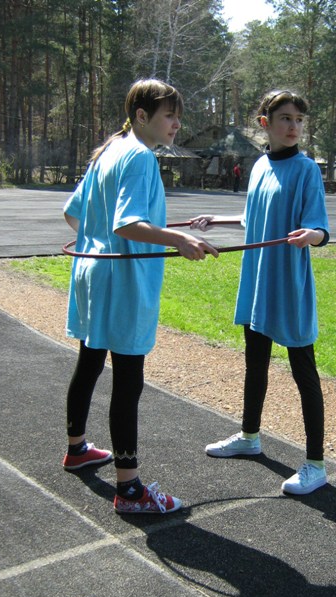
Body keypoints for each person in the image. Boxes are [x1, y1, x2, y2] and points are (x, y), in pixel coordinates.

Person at [62, 78, 218, 515]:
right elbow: (127, 224)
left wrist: (104, 240)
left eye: (178, 116)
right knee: (128, 380)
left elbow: (73, 215)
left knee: (90, 362)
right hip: (121, 280)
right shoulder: (139, 157)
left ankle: (77, 449)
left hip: (92, 274)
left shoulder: (109, 151)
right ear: (142, 116)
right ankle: (129, 490)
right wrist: (177, 238)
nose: (176, 124)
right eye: (169, 115)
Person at [191, 89, 329, 495]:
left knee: (304, 371)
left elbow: (320, 227)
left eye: (299, 120)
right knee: (255, 362)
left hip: (289, 283)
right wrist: (217, 219)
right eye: (285, 118)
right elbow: (256, 216)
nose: (294, 126)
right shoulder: (260, 166)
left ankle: (316, 465)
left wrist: (312, 235)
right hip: (258, 280)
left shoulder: (307, 170)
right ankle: (249, 437)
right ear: (265, 123)